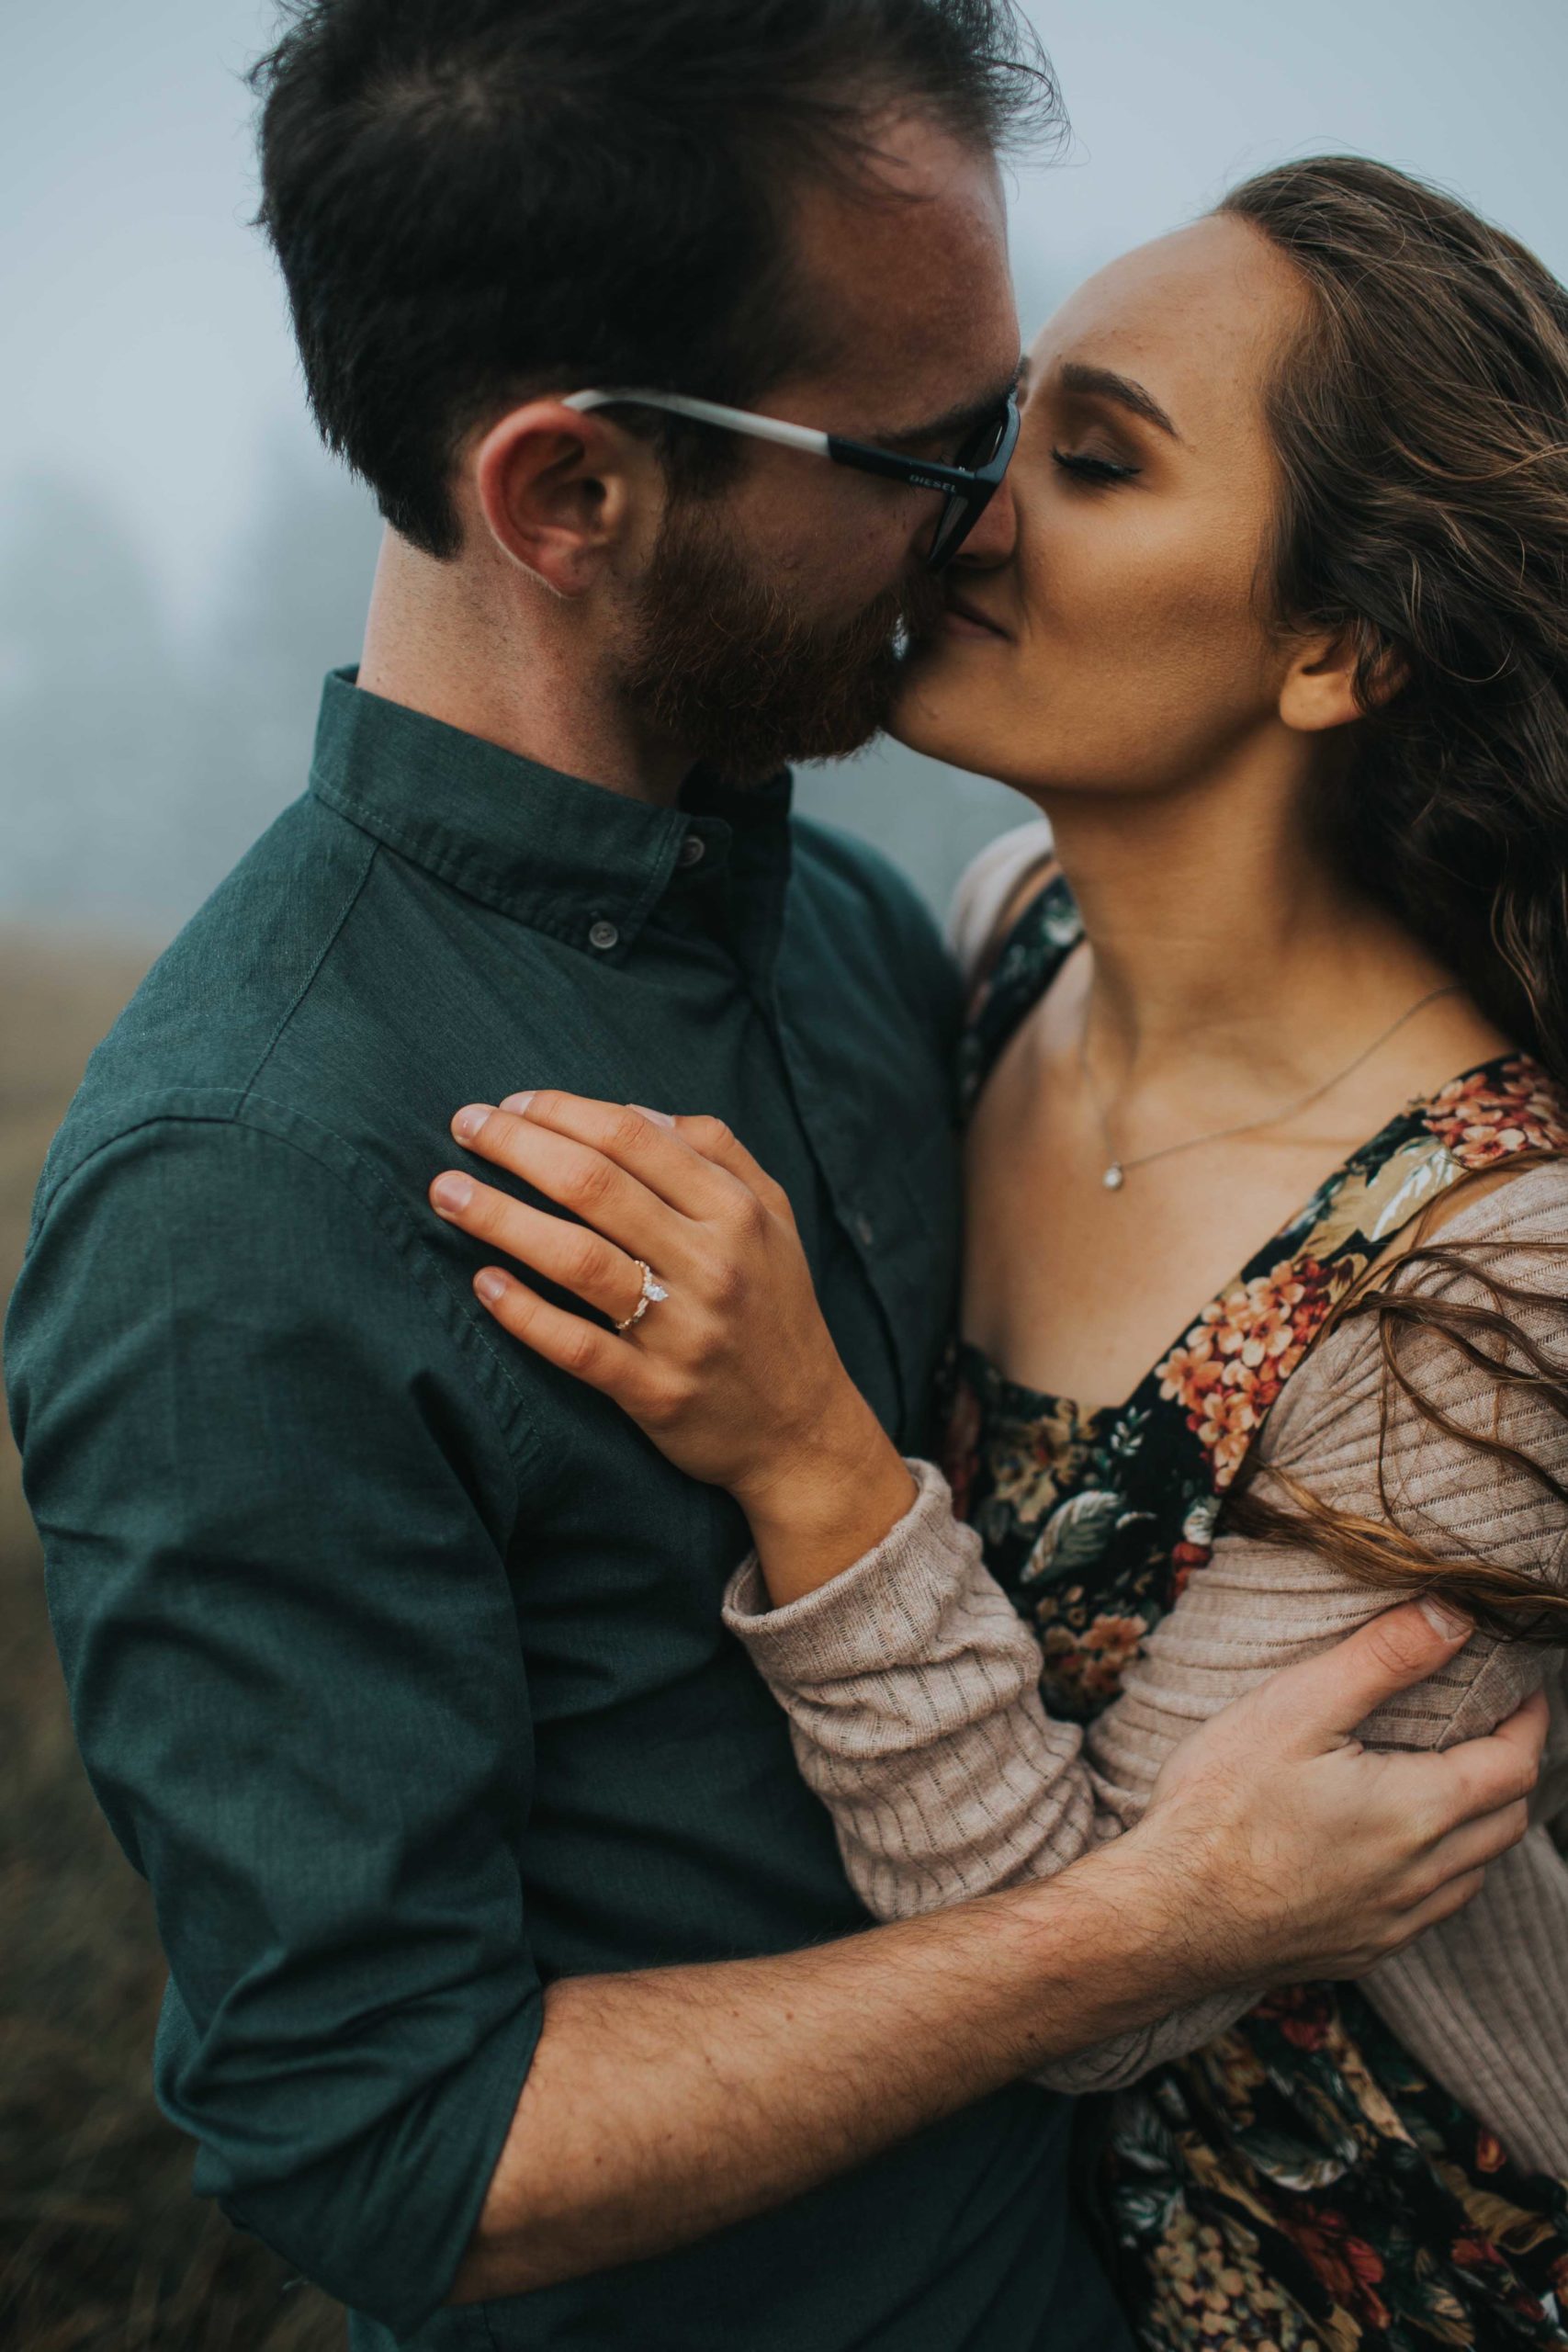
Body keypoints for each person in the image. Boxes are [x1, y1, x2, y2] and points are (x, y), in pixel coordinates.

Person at [3, 8, 1540, 2342]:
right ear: (570, 495)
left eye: (1032, 433)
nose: (979, 511)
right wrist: (1148, 1922)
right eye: (930, 447)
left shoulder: (865, 933)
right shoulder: (245, 1183)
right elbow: (382, 2137)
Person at [430, 158, 1568, 2347]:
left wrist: (810, 1462)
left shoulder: (1493, 1275)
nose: (957, 507)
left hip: (1393, 2269)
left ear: (1335, 646)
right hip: (987, 2250)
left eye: (1092, 459)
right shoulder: (1000, 933)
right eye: (1002, 422)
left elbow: (1109, 1979)